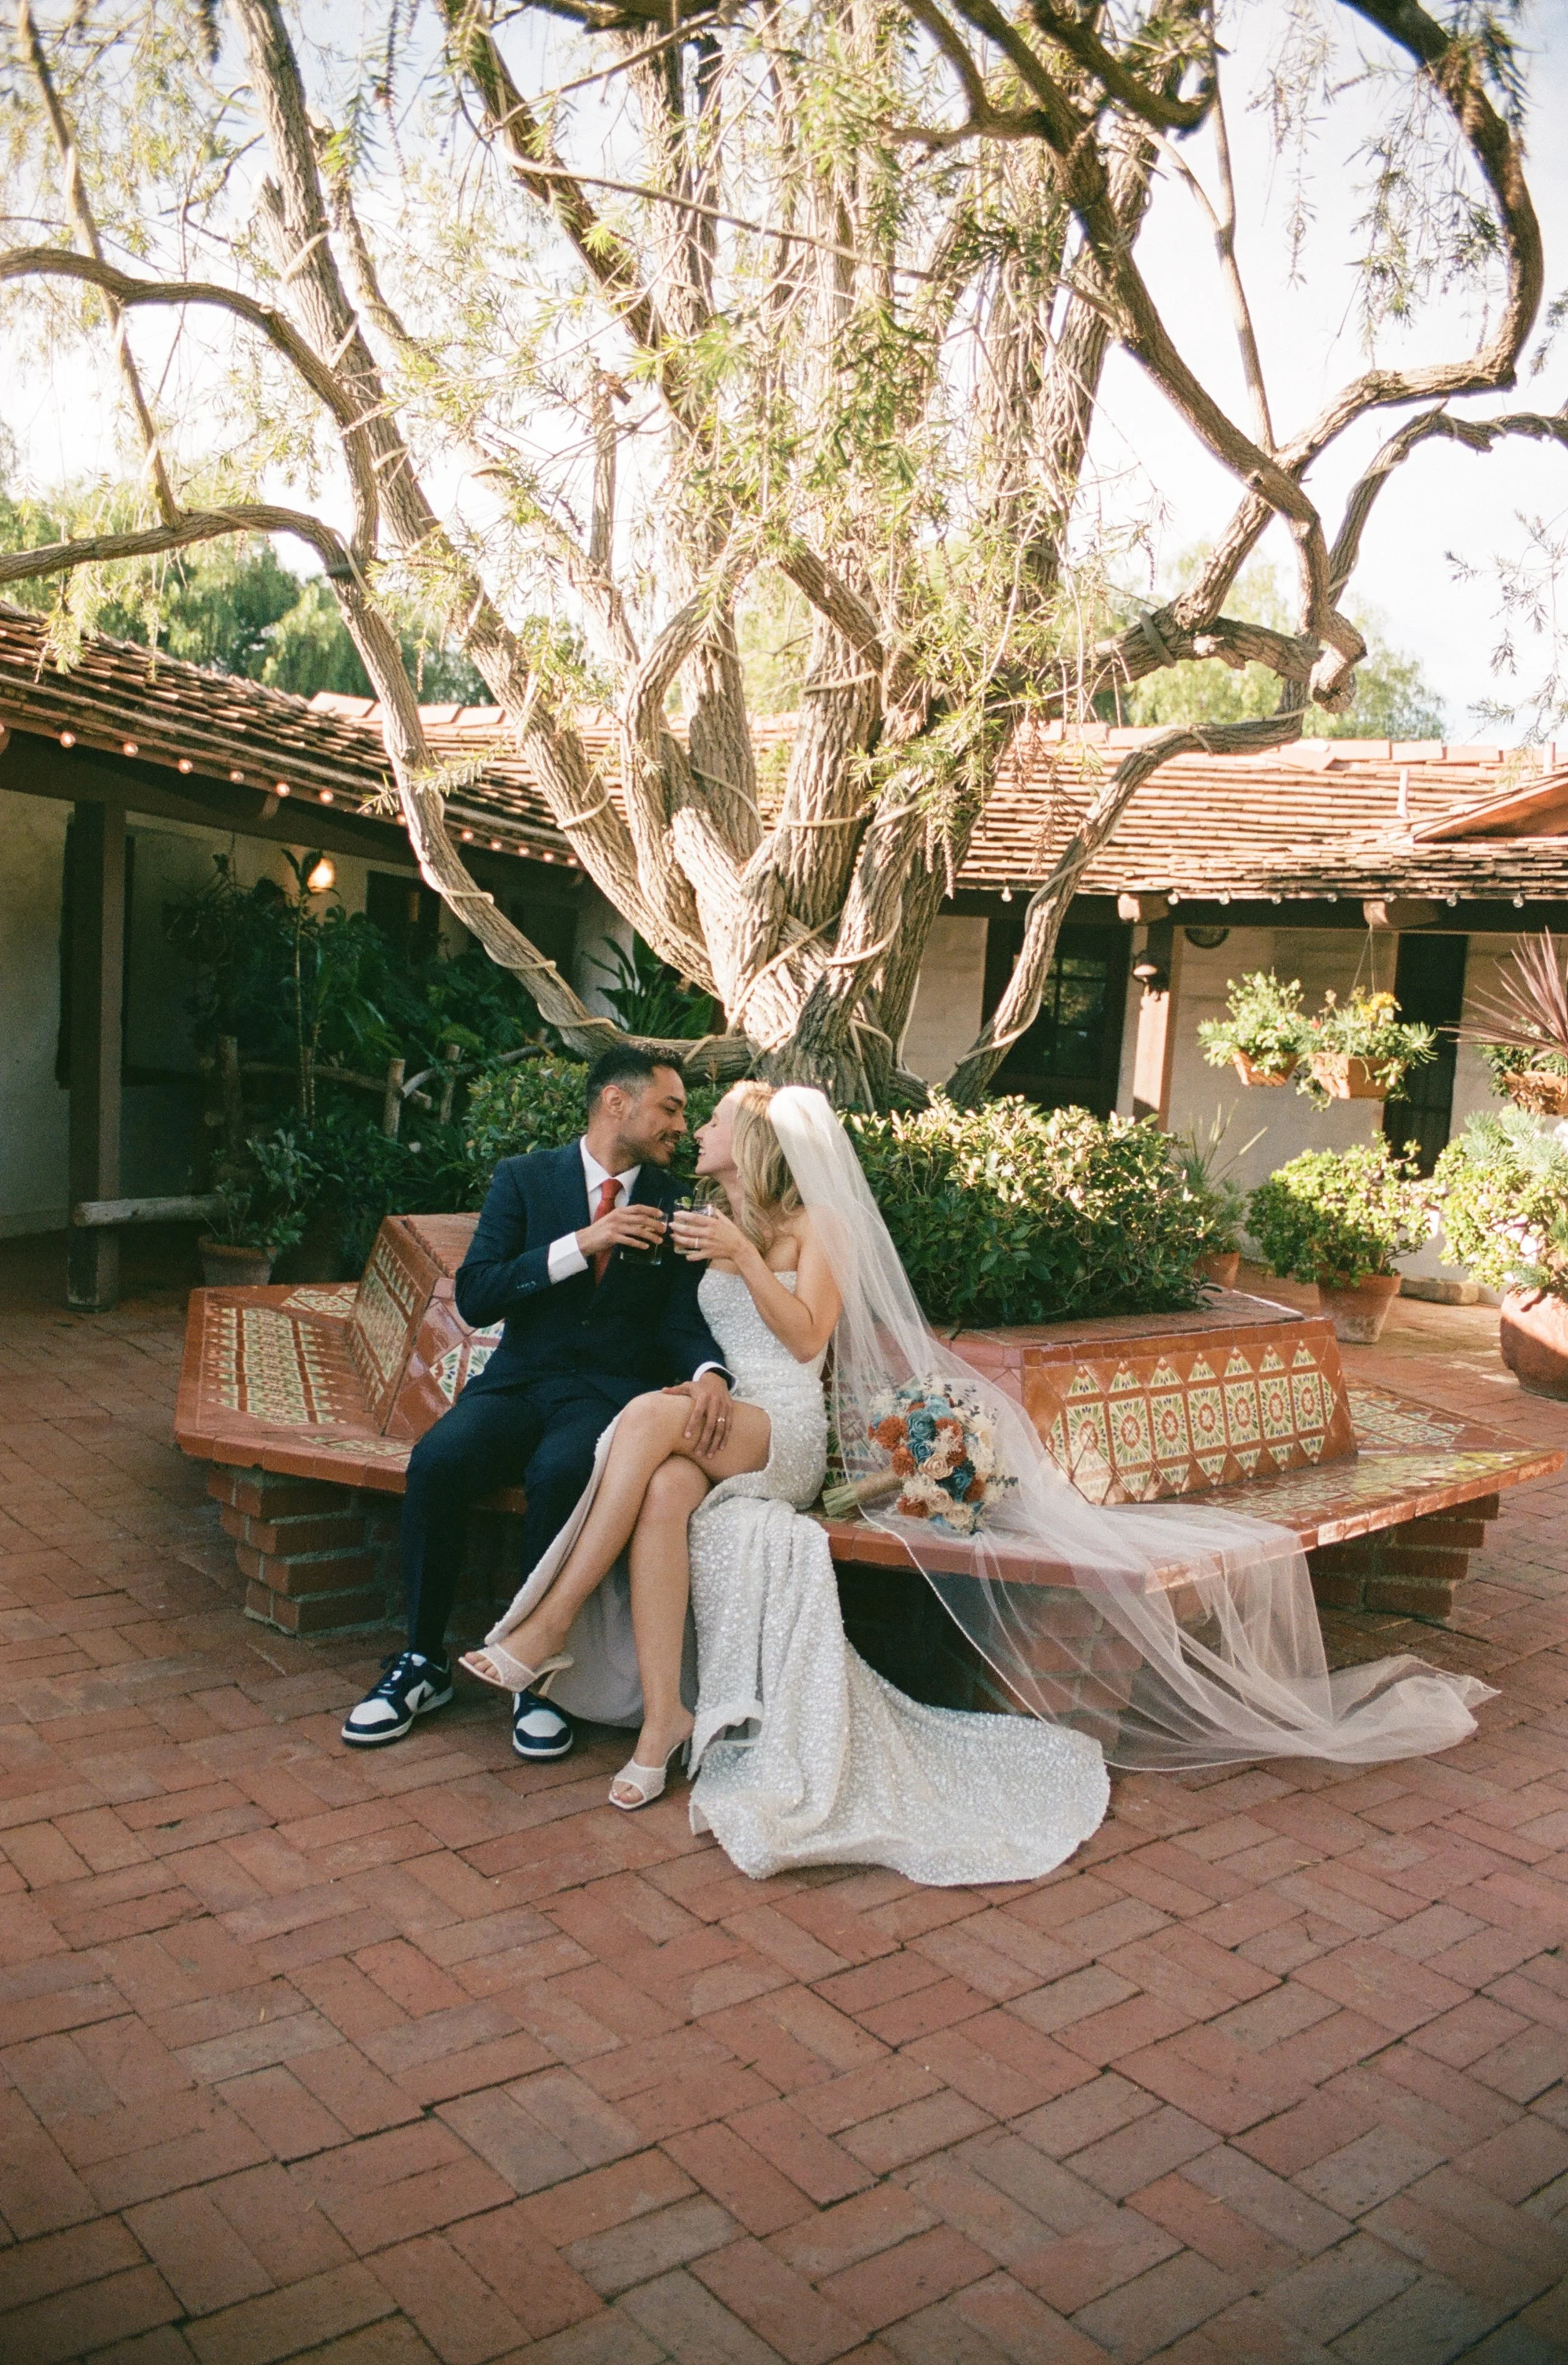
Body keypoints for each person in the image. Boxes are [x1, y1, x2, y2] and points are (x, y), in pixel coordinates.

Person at [468, 1081, 1493, 1887]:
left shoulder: (808, 1225)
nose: (696, 1129)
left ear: (760, 1140)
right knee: (657, 1492)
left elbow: (810, 1338)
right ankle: (664, 1723)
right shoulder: (704, 1214)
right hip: (724, 1414)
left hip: (783, 1428)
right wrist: (702, 1342)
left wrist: (743, 1258)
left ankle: (546, 1623)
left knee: (643, 1423)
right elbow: (682, 1329)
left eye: (717, 1118)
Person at [341, 1045, 732, 1757]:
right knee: (438, 1461)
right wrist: (586, 1241)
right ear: (617, 1102)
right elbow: (479, 1294)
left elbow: (680, 1319)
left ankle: (536, 1679)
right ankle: (422, 1662)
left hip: (607, 1395)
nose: (683, 1124)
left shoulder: (676, 1202)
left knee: (561, 1476)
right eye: (670, 1108)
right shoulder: (524, 1179)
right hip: (519, 1380)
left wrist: (709, 1371)